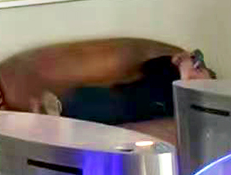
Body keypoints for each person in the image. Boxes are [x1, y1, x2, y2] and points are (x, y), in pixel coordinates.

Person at [38, 50, 216, 125]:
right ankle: (53, 110)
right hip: (123, 93)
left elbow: (178, 101)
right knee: (88, 96)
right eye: (198, 69)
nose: (196, 74)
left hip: (132, 109)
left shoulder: (180, 100)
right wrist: (174, 60)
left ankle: (55, 115)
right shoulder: (166, 69)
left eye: (200, 80)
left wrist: (185, 75)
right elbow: (148, 67)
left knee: (102, 109)